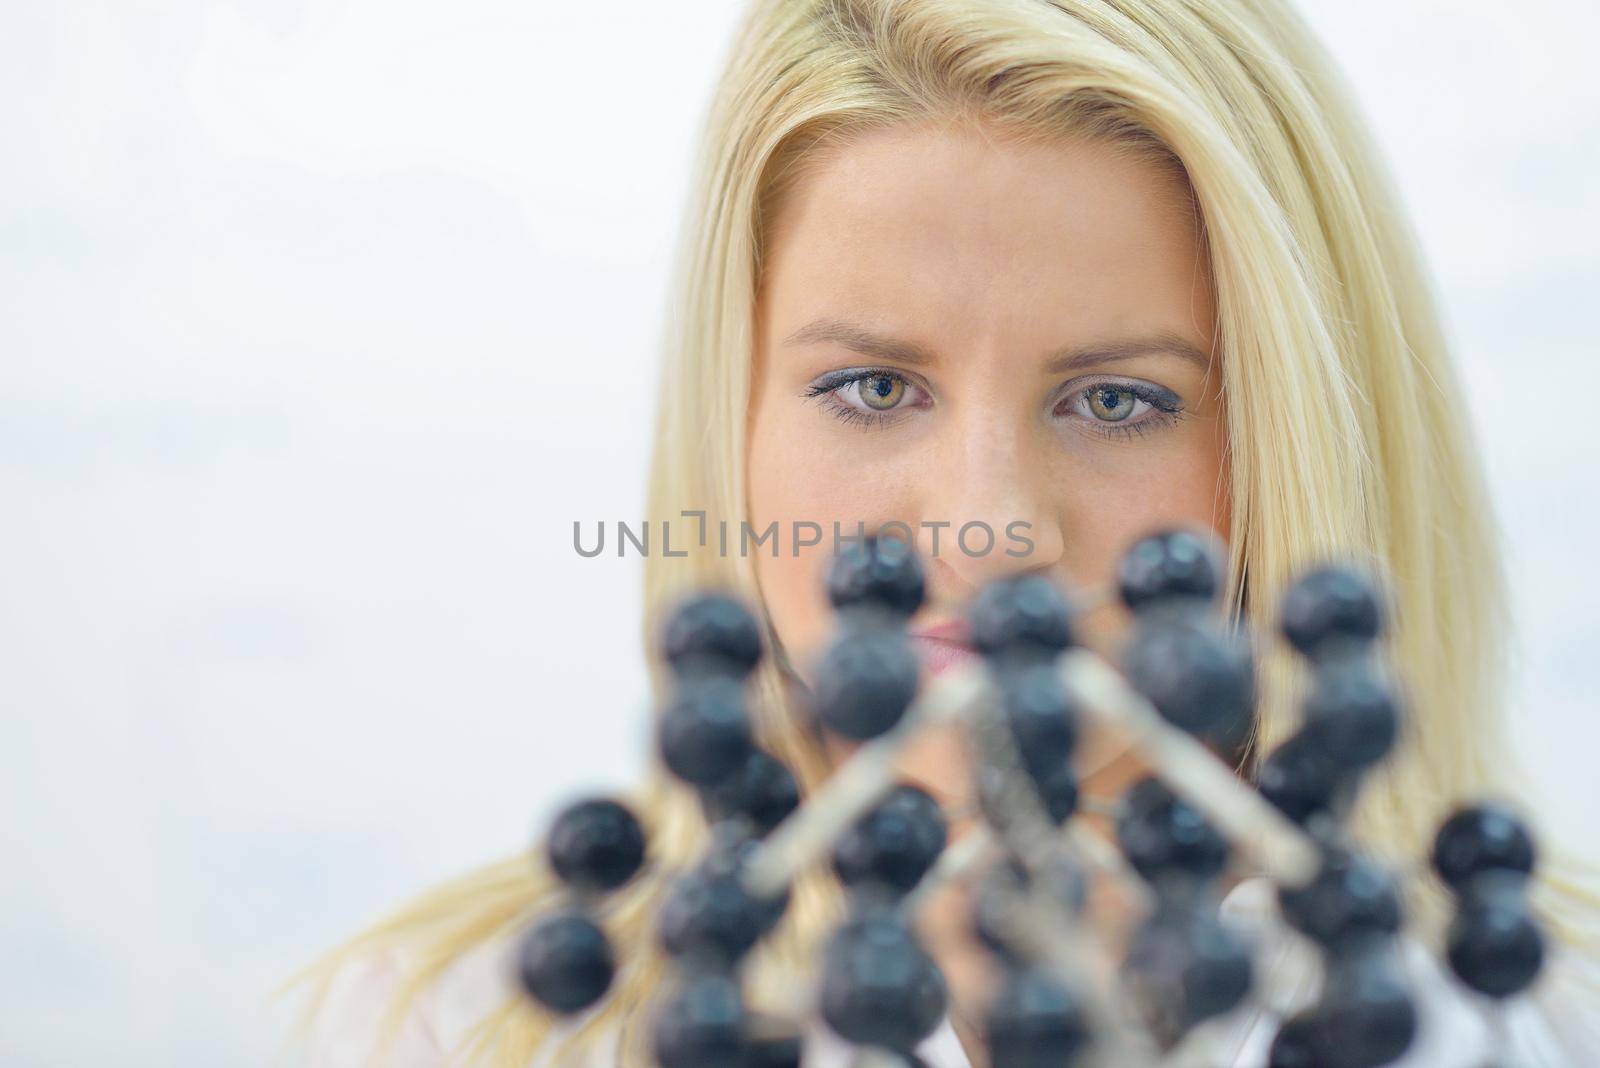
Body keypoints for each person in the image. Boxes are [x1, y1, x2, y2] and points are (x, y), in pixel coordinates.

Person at [288, 0, 1600, 1064]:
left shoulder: (1539, 1023)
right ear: (730, 418)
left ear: (1298, 443)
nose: (986, 535)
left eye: (1118, 399)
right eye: (873, 389)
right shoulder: (447, 1033)